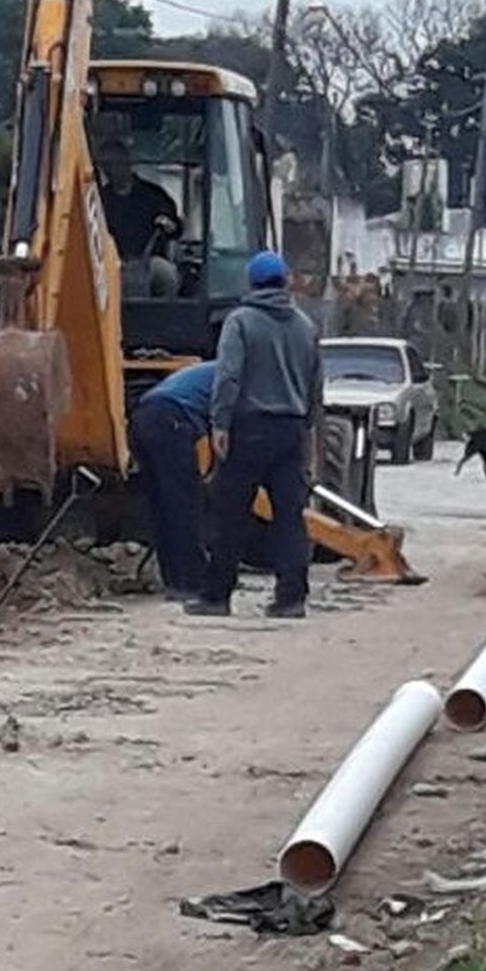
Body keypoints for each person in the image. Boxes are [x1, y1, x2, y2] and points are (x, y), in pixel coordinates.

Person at [186, 250, 322, 620]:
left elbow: (228, 376)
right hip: (291, 430)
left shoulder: (240, 322)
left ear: (251, 283)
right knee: (290, 518)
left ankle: (217, 597)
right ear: (286, 281)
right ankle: (291, 598)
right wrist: (307, 429)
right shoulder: (305, 327)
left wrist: (220, 423)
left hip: (248, 429)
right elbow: (315, 386)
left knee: (231, 515)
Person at [131, 361, 213, 601]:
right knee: (185, 504)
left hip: (143, 418)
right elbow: (226, 421)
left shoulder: (207, 373)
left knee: (162, 504)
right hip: (170, 418)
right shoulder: (236, 377)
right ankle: (192, 583)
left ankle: (175, 581)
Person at [95, 142, 182, 297]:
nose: (111, 170)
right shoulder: (100, 200)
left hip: (151, 263)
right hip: (111, 263)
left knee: (166, 274)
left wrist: (169, 225)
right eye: (106, 165)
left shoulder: (154, 196)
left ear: (127, 163)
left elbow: (175, 228)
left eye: (115, 163)